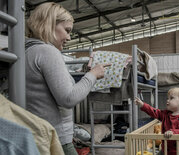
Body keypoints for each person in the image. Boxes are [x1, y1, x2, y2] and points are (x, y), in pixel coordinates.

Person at [25, 2, 110, 155]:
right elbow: (68, 98)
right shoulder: (47, 51)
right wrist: (92, 75)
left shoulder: (28, 51)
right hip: (55, 139)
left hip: (36, 136)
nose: (69, 37)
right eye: (67, 30)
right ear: (49, 24)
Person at [134, 87, 179, 155]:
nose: (167, 100)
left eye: (171, 98)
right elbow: (154, 112)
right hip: (165, 149)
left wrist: (172, 132)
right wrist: (143, 105)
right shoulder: (165, 114)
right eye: (168, 98)